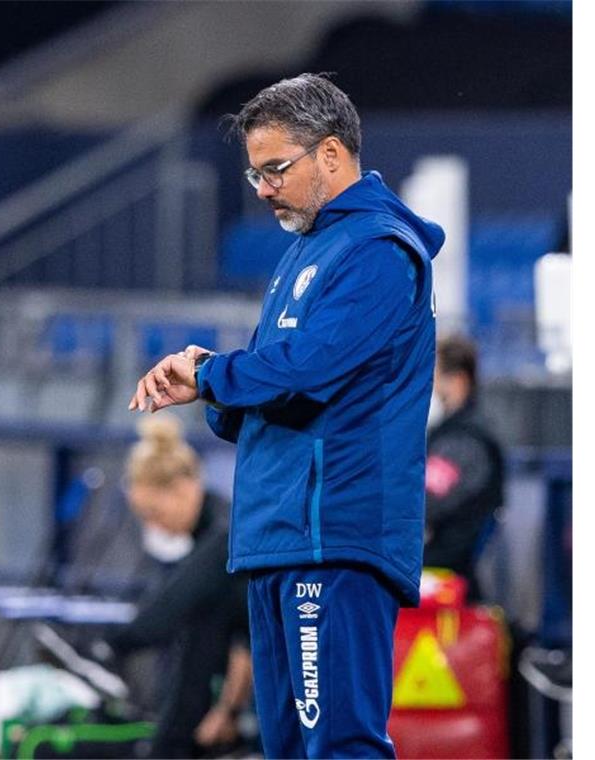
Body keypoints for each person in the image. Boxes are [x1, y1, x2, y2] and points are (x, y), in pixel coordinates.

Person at [128, 73, 444, 758]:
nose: (265, 189)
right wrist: (212, 387)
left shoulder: (379, 250)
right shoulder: (309, 249)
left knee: (337, 746)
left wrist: (215, 375)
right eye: (254, 174)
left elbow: (309, 367)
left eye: (276, 170)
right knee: (292, 751)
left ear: (330, 154)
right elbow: (287, 389)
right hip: (281, 534)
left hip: (333, 536)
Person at [96, 415, 251, 758]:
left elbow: (167, 613)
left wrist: (110, 646)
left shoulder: (224, 537)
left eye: (153, 512)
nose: (155, 527)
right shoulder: (208, 541)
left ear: (183, 488)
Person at [424, 335, 505, 600]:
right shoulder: (451, 433)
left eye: (434, 373)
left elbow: (426, 502)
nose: (431, 384)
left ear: (457, 380)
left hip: (446, 568)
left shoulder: (465, 441)